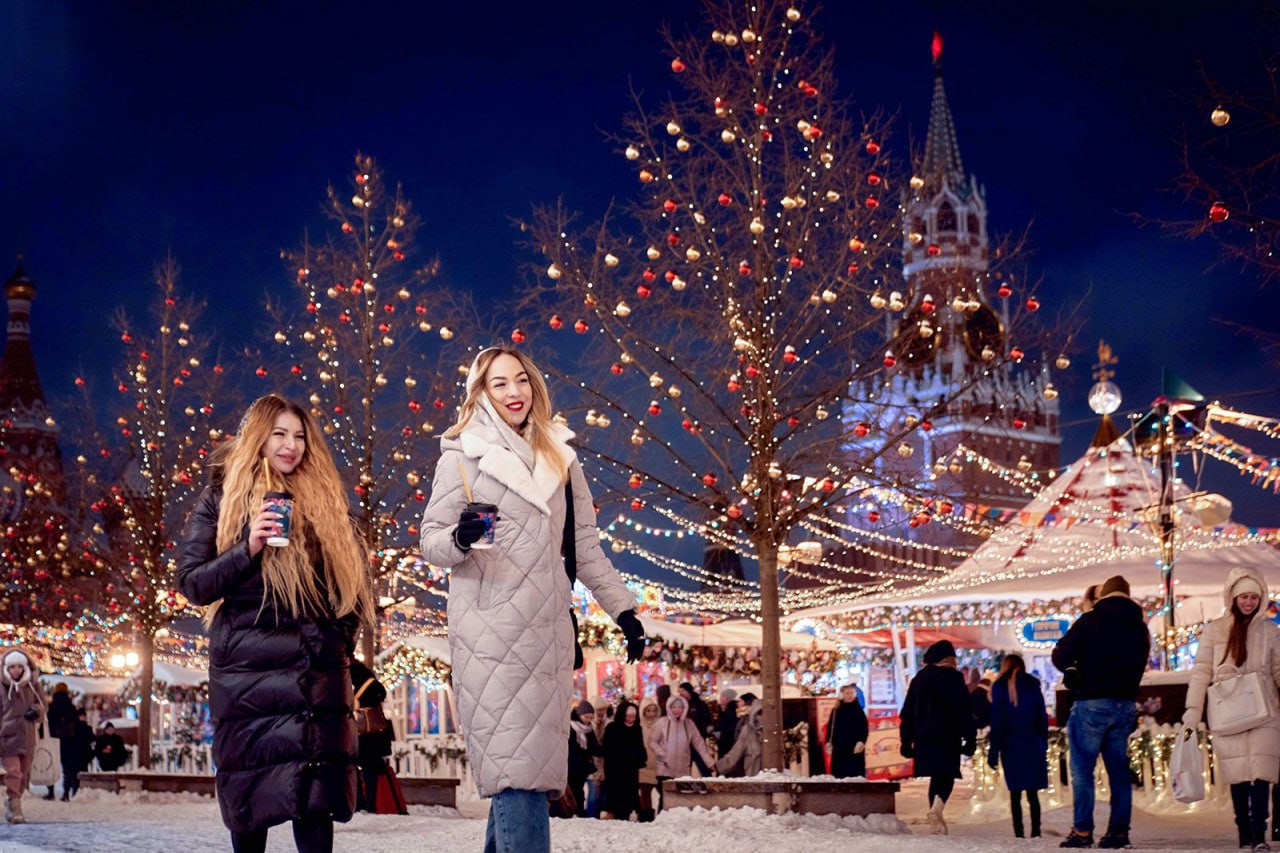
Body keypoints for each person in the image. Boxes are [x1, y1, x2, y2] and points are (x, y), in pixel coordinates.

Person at [418, 347, 643, 852]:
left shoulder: (561, 458)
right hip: (489, 634)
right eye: (499, 384)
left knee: (524, 774)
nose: (514, 392)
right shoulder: (461, 454)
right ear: (480, 392)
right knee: (516, 775)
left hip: (546, 636)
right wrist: (460, 534)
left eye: (521, 380)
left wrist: (624, 610)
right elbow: (430, 541)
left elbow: (585, 546)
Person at [178, 393, 373, 853]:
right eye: (279, 434)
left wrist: (338, 646)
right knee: (251, 805)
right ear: (258, 438)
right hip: (250, 681)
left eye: (300, 436)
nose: (290, 446)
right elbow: (192, 584)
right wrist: (247, 547)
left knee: (315, 808)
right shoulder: (221, 498)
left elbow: (355, 588)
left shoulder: (329, 501)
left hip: (316, 679)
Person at [1182, 568, 1280, 853]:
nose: (1248, 602)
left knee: (1262, 772)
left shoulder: (1269, 630)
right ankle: (1244, 832)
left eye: (1253, 597)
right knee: (1237, 773)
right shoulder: (1214, 630)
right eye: (1244, 597)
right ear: (1233, 598)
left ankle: (1259, 835)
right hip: (1228, 709)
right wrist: (1193, 709)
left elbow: (1277, 669)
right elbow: (1201, 672)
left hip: (1265, 709)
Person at [1052, 574, 1150, 849]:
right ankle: (1118, 832)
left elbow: (1060, 654)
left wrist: (1073, 670)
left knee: (1083, 770)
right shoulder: (1139, 627)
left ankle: (1082, 831)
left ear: (1104, 595)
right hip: (1124, 705)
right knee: (1118, 771)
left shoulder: (1090, 620)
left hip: (1092, 702)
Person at [899, 640, 976, 835]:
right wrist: (970, 738)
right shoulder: (954, 678)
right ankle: (938, 807)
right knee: (946, 775)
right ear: (946, 658)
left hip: (923, 737)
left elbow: (907, 712)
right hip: (947, 735)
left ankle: (936, 814)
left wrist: (905, 741)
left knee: (935, 776)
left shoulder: (919, 679)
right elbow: (964, 710)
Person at [988, 654, 1049, 838]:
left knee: (1015, 793)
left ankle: (1019, 833)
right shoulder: (1033, 684)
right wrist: (1043, 741)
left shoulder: (999, 687)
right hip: (1032, 743)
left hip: (1010, 745)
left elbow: (998, 721)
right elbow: (1042, 717)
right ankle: (1036, 832)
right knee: (1033, 793)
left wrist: (994, 751)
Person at [0, 648, 46, 824]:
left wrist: (36, 711)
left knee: (24, 775)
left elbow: (42, 705)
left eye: (19, 666)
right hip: (7, 738)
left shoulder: (32, 686)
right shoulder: (2, 686)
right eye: (12, 667)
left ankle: (13, 801)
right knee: (14, 772)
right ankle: (15, 806)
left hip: (27, 737)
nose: (16, 670)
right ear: (7, 668)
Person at [650, 695, 714, 812]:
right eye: (674, 707)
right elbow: (653, 741)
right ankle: (662, 820)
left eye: (680, 707)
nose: (677, 710)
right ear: (669, 708)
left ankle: (677, 820)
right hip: (664, 767)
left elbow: (699, 743)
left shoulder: (689, 724)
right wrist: (662, 753)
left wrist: (709, 761)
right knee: (665, 797)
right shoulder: (662, 723)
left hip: (682, 767)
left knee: (681, 797)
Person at [349, 656, 394, 812]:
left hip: (359, 732)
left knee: (355, 766)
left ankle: (362, 803)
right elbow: (380, 694)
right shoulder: (368, 678)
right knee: (369, 769)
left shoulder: (348, 676)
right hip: (372, 734)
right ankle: (370, 803)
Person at [601, 701, 647, 821]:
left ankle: (628, 813)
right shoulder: (612, 728)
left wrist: (641, 758)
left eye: (634, 717)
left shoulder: (637, 728)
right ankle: (615, 813)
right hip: (615, 767)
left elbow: (639, 745)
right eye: (628, 716)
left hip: (630, 767)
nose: (631, 719)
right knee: (616, 792)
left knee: (630, 792)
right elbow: (607, 748)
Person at [825, 683, 869, 778]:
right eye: (847, 693)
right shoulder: (836, 710)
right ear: (841, 695)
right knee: (840, 774)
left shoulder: (858, 710)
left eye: (851, 693)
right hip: (839, 748)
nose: (849, 696)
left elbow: (864, 728)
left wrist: (861, 741)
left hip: (854, 748)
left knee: (855, 774)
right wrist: (828, 742)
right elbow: (831, 727)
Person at [567, 700, 601, 818]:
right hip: (571, 765)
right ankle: (573, 811)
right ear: (579, 714)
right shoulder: (570, 727)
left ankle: (580, 811)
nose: (588, 720)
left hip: (583, 766)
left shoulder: (589, 729)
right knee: (573, 790)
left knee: (580, 790)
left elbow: (594, 747)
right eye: (586, 717)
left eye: (591, 717)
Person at [717, 692, 763, 777]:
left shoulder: (748, 723)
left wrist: (720, 766)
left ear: (747, 703)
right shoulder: (745, 719)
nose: (737, 703)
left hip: (751, 761)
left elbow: (739, 746)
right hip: (751, 760)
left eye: (740, 701)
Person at [46, 682, 79, 801]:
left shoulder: (52, 705)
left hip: (53, 738)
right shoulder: (70, 706)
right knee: (67, 767)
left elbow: (48, 722)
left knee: (52, 765)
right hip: (68, 739)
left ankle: (51, 792)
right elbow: (76, 722)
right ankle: (66, 792)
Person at [677, 683, 713, 774]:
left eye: (683, 691)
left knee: (702, 763)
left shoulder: (699, 704)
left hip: (697, 738)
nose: (681, 693)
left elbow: (707, 718)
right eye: (680, 691)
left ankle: (708, 782)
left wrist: (704, 732)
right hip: (684, 740)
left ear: (689, 691)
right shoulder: (680, 705)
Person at [636, 698, 661, 819]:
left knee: (660, 792)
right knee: (644, 793)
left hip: (658, 764)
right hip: (643, 765)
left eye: (653, 711)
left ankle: (661, 814)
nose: (651, 714)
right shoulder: (639, 726)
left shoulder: (660, 726)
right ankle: (645, 815)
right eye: (648, 711)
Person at [67, 709, 95, 798]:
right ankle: (76, 791)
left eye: (84, 716)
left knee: (82, 773)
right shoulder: (75, 727)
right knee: (76, 774)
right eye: (81, 716)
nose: (83, 718)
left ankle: (81, 791)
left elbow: (92, 739)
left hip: (83, 754)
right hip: (77, 753)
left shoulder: (86, 728)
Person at [714, 688, 739, 771]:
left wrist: (721, 734)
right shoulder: (723, 710)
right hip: (723, 741)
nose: (720, 698)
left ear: (728, 698)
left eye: (723, 696)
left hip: (727, 742)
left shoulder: (731, 711)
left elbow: (730, 727)